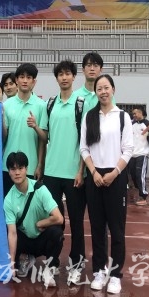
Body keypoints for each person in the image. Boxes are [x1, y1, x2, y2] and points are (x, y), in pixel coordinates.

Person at [80, 74, 133, 295]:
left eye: (106, 88)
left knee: (117, 229)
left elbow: (128, 149)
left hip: (116, 176)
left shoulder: (122, 117)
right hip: (95, 177)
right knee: (97, 227)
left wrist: (114, 173)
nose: (103, 92)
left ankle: (116, 275)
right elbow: (84, 148)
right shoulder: (89, 117)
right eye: (99, 89)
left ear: (113, 89)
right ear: (95, 92)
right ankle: (99, 271)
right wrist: (93, 172)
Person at [43, 60, 87, 285]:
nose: (64, 77)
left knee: (77, 222)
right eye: (60, 74)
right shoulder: (50, 104)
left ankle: (76, 264)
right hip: (51, 172)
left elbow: (85, 141)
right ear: (56, 78)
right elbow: (46, 136)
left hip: (73, 174)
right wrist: (35, 127)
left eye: (68, 73)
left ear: (74, 77)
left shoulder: (81, 104)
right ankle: (51, 263)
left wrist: (81, 170)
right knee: (54, 222)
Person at [4, 152, 64, 287]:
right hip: (25, 239)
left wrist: (42, 223)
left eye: (20, 168)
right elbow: (12, 233)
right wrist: (11, 264)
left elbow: (59, 218)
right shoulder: (8, 200)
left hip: (42, 238)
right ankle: (24, 258)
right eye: (13, 169)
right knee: (7, 230)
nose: (17, 173)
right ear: (9, 172)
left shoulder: (40, 189)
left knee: (57, 233)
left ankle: (49, 268)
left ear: (26, 169)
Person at [2, 63, 48, 197]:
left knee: (30, 206)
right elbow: (3, 137)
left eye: (29, 77)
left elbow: (44, 139)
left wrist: (40, 165)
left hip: (31, 167)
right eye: (22, 77)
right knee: (8, 205)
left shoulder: (41, 105)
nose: (25, 80)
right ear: (16, 80)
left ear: (34, 82)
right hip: (8, 167)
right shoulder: (6, 105)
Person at [128, 107, 149, 206]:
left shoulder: (148, 124)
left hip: (143, 154)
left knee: (140, 174)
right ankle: (139, 189)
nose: (134, 115)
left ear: (141, 113)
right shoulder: (131, 124)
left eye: (135, 113)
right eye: (133, 114)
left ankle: (143, 196)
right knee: (133, 175)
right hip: (132, 154)